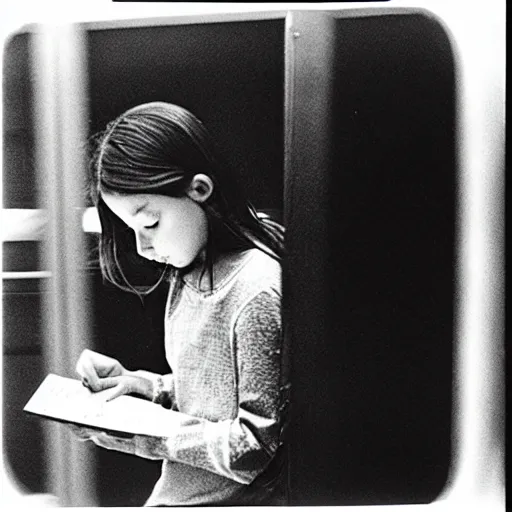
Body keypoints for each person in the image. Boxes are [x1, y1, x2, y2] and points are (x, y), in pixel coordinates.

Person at [71, 102, 289, 506]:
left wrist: (145, 437)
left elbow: (254, 447)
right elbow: (213, 393)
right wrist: (143, 386)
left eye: (150, 223)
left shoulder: (257, 290)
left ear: (200, 190)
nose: (142, 246)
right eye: (130, 229)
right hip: (181, 493)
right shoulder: (190, 273)